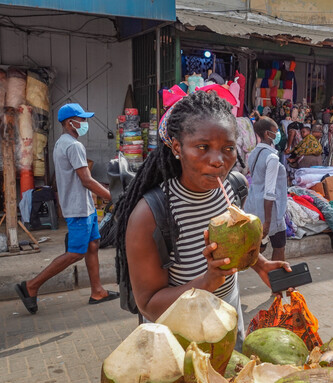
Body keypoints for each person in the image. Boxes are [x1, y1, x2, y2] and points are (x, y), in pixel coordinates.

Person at [114, 91, 290, 349]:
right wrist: (207, 283)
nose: (219, 161)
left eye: (228, 149)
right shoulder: (150, 215)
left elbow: (232, 246)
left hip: (229, 321)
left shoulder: (232, 188)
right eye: (202, 147)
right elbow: (149, 305)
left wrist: (259, 263)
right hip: (180, 341)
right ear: (177, 148)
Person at [15, 103, 119, 314]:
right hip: (78, 208)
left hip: (83, 206)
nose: (84, 123)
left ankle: (97, 291)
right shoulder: (73, 146)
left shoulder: (63, 143)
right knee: (75, 253)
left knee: (93, 245)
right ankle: (31, 286)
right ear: (70, 122)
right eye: (81, 119)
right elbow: (87, 180)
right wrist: (113, 196)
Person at [244, 117, 288, 262]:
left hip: (253, 204)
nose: (278, 134)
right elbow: (269, 191)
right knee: (279, 244)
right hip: (270, 209)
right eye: (276, 131)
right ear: (267, 134)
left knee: (260, 244)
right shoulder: (272, 158)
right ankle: (278, 279)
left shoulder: (254, 153)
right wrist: (268, 221)